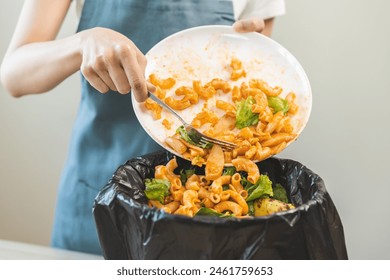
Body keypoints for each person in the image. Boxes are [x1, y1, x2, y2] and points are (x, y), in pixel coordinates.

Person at [0, 0, 286, 255]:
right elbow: (14, 74)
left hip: (203, 207)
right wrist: (82, 44)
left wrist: (251, 49)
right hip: (98, 196)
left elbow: (250, 84)